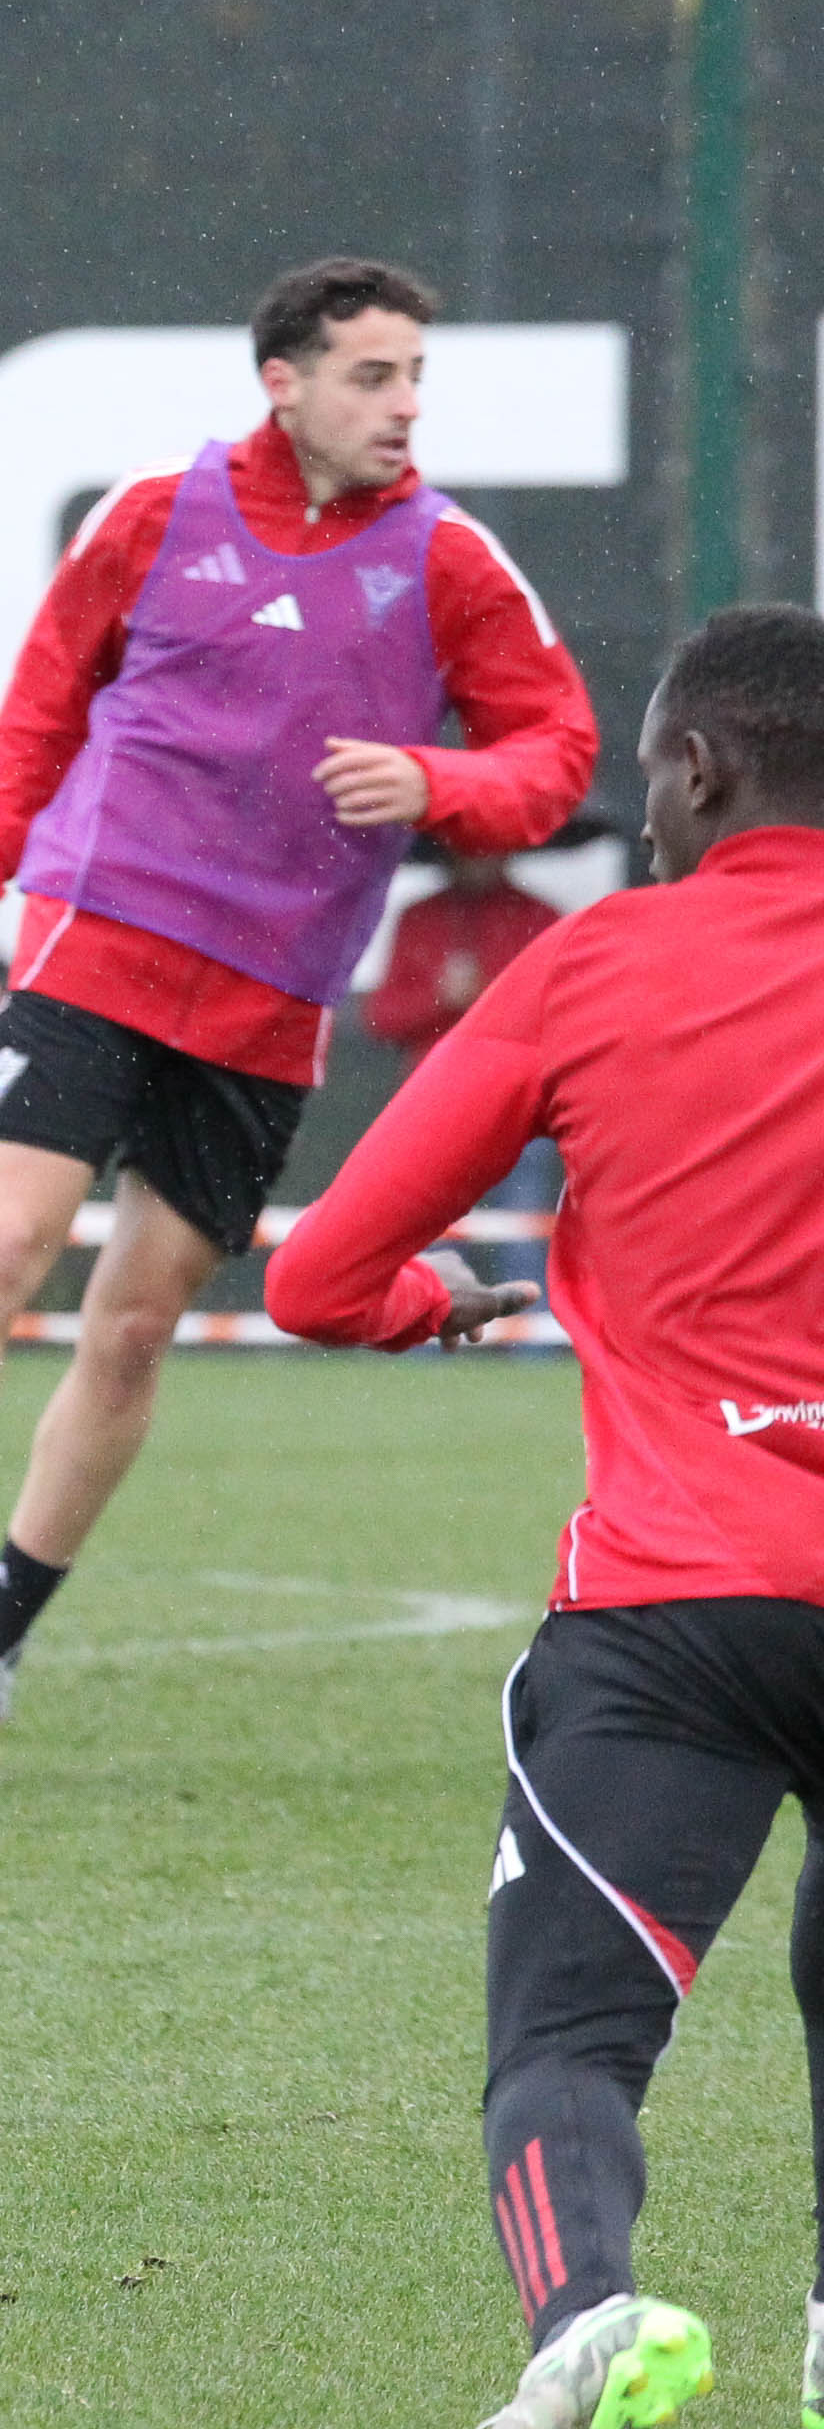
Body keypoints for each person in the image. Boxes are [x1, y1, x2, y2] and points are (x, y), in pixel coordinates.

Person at [0, 257, 598, 1783]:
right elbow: (42, 702)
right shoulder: (158, 514)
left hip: (269, 1002)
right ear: (282, 384)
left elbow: (555, 749)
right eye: (373, 375)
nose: (405, 404)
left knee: (139, 1323)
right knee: (4, 1245)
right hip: (100, 940)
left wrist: (443, 784)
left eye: (416, 374)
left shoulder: (448, 558)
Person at [264, 605, 824, 2429]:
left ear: (695, 770)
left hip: (678, 1610)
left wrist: (437, 1305)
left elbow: (322, 1273)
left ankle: (588, 2318)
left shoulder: (601, 964)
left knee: (571, 2037)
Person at [363, 842, 566, 1288]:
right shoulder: (417, 918)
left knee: (523, 1236)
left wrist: (488, 994)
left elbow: (561, 1017)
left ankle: (533, 1350)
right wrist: (439, 998)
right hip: (431, 1105)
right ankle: (422, 1346)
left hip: (520, 1109)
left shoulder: (542, 919)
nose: (480, 854)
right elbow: (381, 1016)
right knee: (431, 1237)